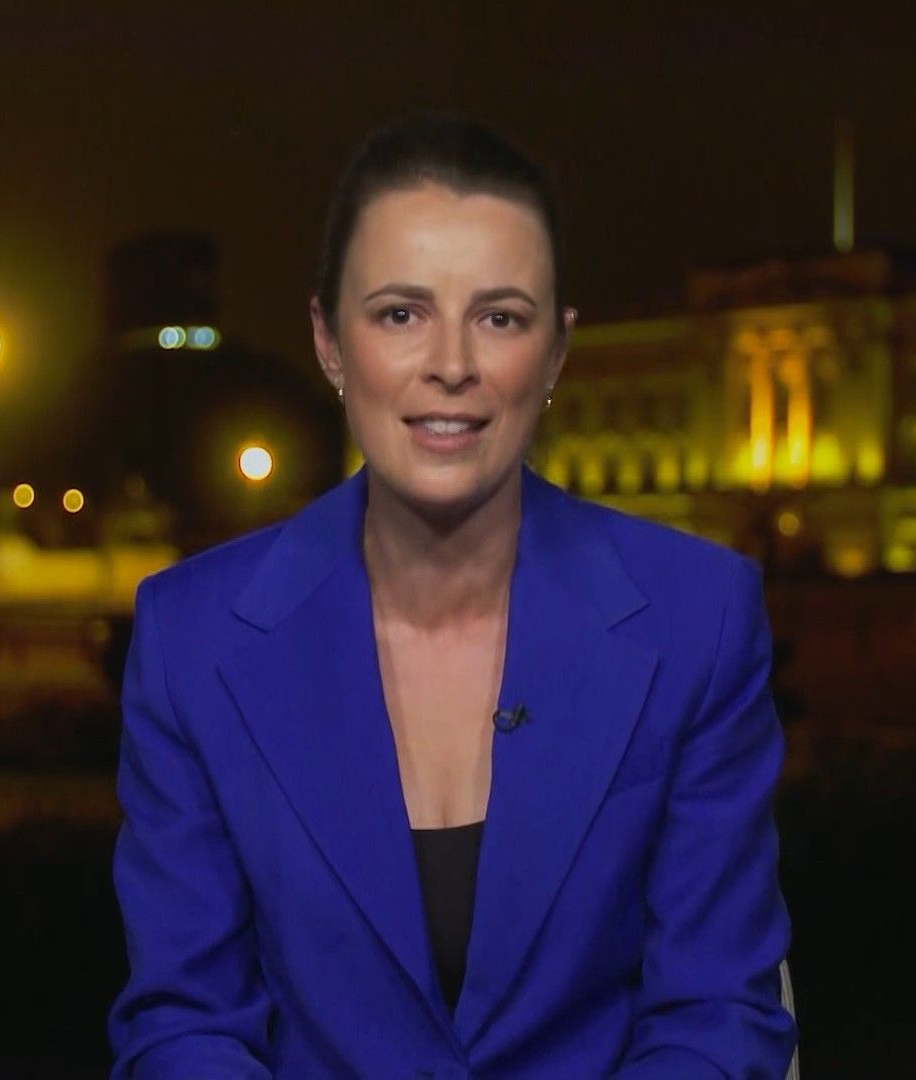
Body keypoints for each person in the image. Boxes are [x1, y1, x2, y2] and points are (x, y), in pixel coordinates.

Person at [108, 113, 798, 1078]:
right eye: (400, 314)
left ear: (555, 354)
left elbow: (716, 1013)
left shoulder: (700, 618)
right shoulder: (191, 637)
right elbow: (186, 1024)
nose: (452, 364)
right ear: (329, 342)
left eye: (500, 317)